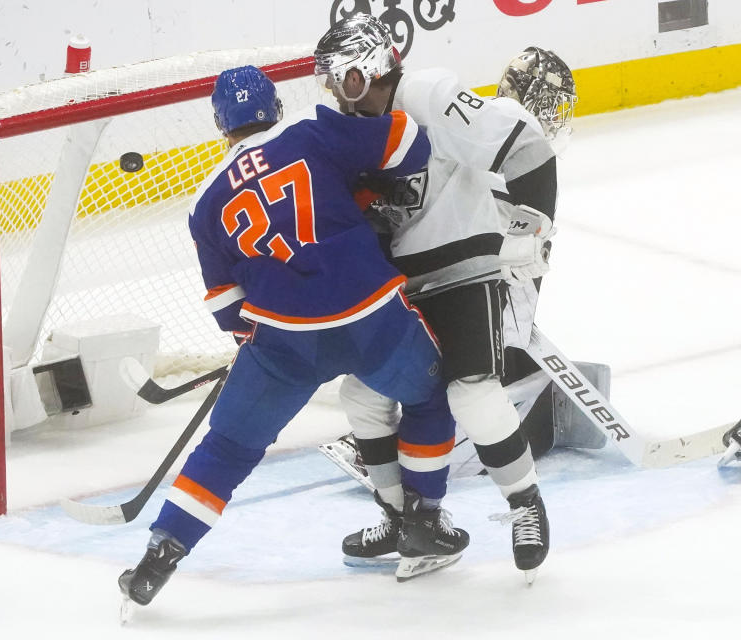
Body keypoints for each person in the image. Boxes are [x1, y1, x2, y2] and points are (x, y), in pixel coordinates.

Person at [118, 65, 467, 612]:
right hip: (368, 312)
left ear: (220, 126)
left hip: (284, 341)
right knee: (431, 394)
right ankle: (423, 518)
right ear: (275, 108)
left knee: (229, 446)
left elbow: (227, 309)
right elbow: (409, 144)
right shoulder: (309, 127)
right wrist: (363, 183)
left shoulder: (204, 203)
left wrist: (263, 352)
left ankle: (161, 553)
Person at [313, 16, 583, 582]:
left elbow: (526, 146)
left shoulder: (428, 94)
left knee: (473, 393)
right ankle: (401, 520)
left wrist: (532, 227)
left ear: (374, 70)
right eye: (334, 85)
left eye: (348, 82)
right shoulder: (351, 133)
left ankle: (525, 505)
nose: (340, 96)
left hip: (464, 273)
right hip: (402, 289)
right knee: (361, 395)